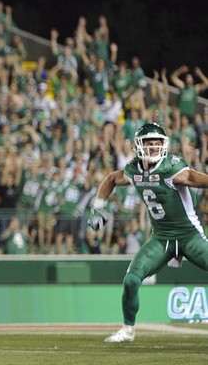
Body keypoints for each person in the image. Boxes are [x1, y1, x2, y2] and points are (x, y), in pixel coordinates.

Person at [88, 122, 208, 343]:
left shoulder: (171, 167)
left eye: (157, 143)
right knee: (131, 280)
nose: (153, 147)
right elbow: (111, 179)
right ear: (139, 146)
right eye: (149, 143)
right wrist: (98, 208)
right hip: (161, 238)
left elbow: (192, 177)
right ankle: (127, 330)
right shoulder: (134, 170)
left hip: (188, 236)